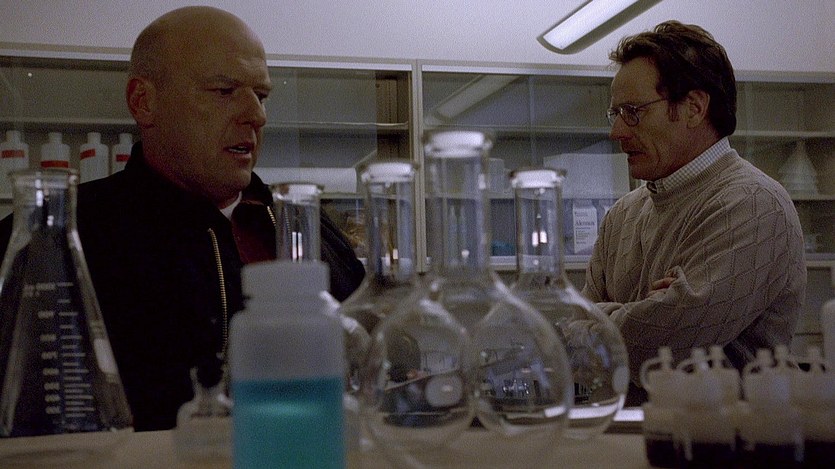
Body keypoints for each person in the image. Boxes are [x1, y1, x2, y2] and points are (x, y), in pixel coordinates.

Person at [0, 6, 364, 431]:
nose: (257, 116)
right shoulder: (60, 238)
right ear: (144, 102)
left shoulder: (309, 229)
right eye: (224, 91)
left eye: (261, 96)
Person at [581, 21, 806, 402]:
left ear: (694, 108)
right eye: (615, 113)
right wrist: (643, 312)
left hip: (724, 436)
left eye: (633, 112)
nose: (617, 131)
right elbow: (574, 337)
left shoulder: (751, 204)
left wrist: (602, 320)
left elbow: (657, 351)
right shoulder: (623, 214)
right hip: (625, 431)